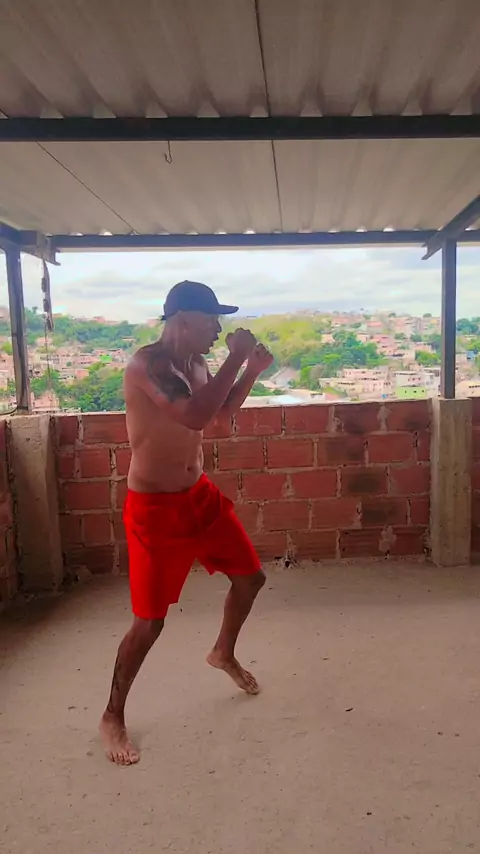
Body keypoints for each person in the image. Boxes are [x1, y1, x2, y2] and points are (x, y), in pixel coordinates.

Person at [100, 281, 274, 765]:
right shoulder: (148, 366)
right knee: (149, 623)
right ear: (182, 320)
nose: (218, 328)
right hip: (154, 508)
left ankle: (223, 652)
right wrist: (237, 356)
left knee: (251, 578)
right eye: (211, 319)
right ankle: (112, 715)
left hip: (198, 495)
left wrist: (251, 371)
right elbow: (194, 415)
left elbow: (218, 416)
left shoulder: (196, 364)